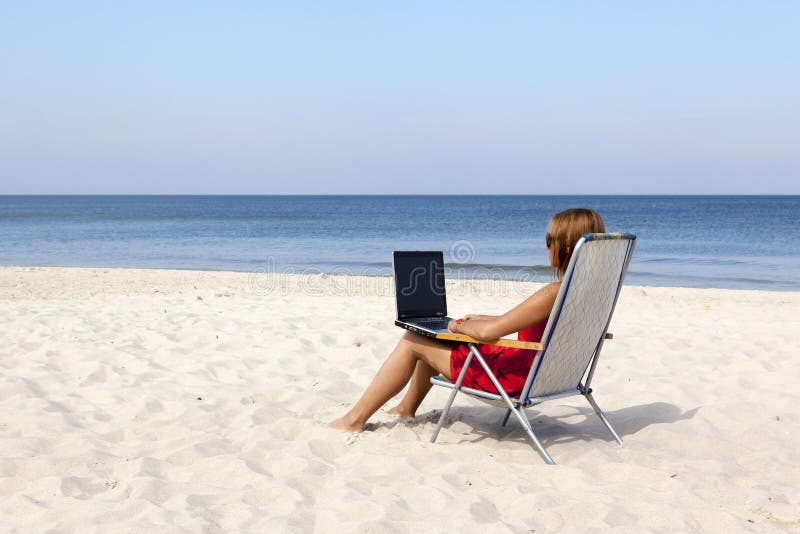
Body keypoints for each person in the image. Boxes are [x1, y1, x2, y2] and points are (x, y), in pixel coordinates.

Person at [329, 208, 606, 432]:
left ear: (566, 246)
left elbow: (488, 334)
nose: (547, 247)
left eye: (550, 241)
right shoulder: (588, 291)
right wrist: (483, 318)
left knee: (415, 339)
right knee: (431, 339)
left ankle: (353, 420)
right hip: (547, 375)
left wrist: (458, 326)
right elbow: (525, 322)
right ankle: (405, 409)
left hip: (513, 379)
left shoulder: (553, 292)